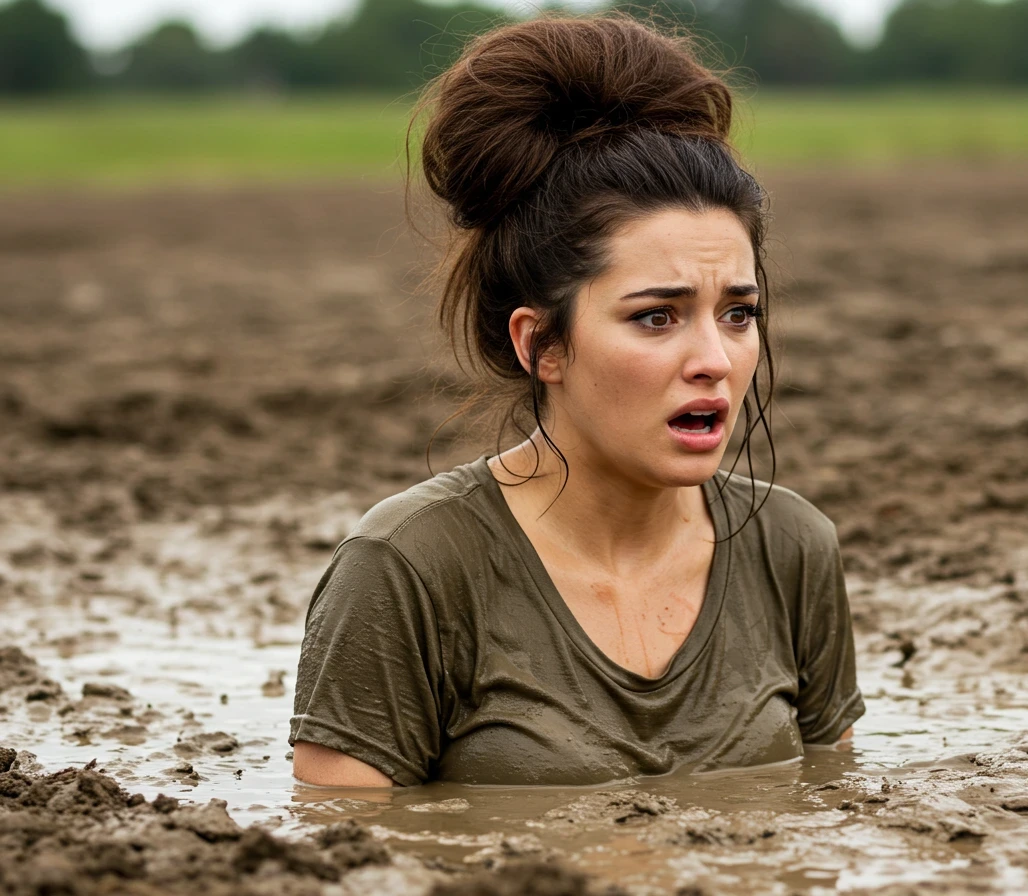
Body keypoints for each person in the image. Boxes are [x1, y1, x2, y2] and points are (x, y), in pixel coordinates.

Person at [289, 10, 864, 788]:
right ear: (541, 345)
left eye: (738, 313)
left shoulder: (793, 547)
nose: (714, 360)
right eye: (655, 317)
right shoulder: (406, 568)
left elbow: (836, 808)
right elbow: (345, 845)